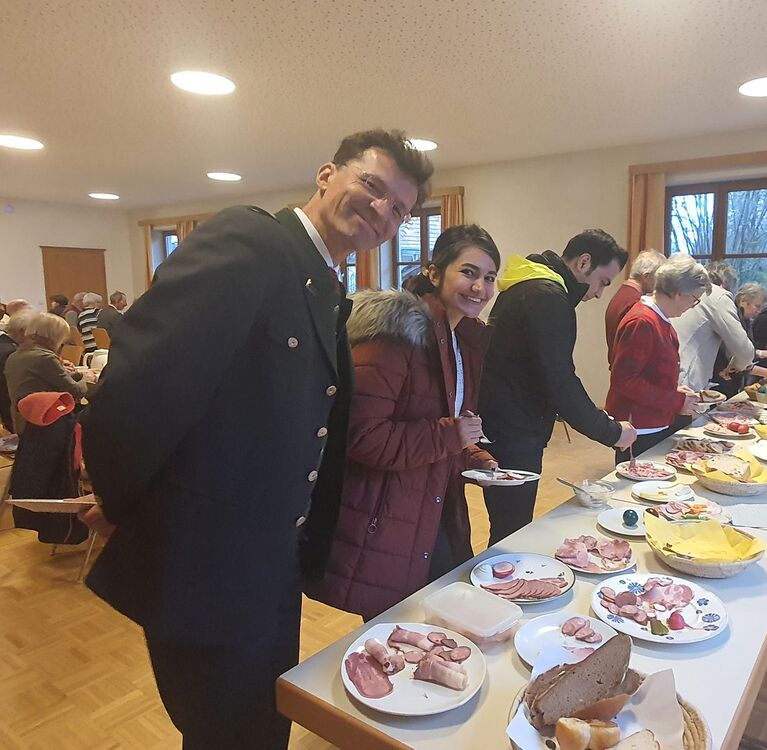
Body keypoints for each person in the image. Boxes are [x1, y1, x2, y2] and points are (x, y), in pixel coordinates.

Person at [78, 128, 433, 749]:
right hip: (206, 566)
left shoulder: (325, 283)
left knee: (261, 726)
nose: (382, 210)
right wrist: (123, 507)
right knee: (225, 731)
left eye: (399, 208)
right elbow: (137, 384)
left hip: (267, 567)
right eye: (372, 186)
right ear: (326, 174)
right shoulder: (252, 241)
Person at [309, 225, 499, 620]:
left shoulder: (461, 340)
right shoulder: (395, 334)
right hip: (385, 516)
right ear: (435, 273)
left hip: (434, 506)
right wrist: (451, 436)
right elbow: (363, 436)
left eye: (489, 277)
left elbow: (439, 423)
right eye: (468, 272)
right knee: (397, 632)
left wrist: (473, 456)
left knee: (443, 621)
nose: (480, 287)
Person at [479, 229, 637, 546]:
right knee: (512, 530)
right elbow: (560, 382)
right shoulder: (549, 298)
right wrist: (612, 432)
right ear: (584, 262)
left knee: (507, 523)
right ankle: (504, 575)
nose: (599, 294)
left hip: (503, 423)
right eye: (603, 282)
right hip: (515, 432)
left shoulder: (530, 285)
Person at [606, 255, 708, 463]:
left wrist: (674, 389)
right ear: (679, 294)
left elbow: (651, 371)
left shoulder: (659, 318)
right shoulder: (642, 321)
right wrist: (676, 400)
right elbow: (624, 380)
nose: (693, 305)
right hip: (639, 427)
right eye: (694, 299)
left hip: (654, 420)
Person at [673, 261, 758, 392]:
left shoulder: (685, 290)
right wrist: (736, 365)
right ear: (725, 284)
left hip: (668, 369)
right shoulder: (717, 295)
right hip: (687, 378)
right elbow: (745, 352)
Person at [4, 313, 87, 435]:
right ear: (55, 337)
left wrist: (76, 374)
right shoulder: (45, 357)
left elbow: (47, 379)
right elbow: (75, 391)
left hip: (22, 421)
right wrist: (86, 378)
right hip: (46, 421)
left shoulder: (14, 356)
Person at [713, 282, 767, 397]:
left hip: (733, 380)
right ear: (743, 301)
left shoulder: (746, 320)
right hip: (722, 377)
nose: (759, 311)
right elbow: (737, 357)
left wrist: (762, 353)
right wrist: (766, 372)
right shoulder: (732, 318)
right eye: (757, 306)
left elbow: (745, 349)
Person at [604, 249, 666, 363]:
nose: (660, 284)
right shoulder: (634, 303)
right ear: (646, 276)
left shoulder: (621, 295)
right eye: (659, 278)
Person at [1, 310, 36, 432]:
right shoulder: (12, 353)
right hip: (12, 411)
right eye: (34, 333)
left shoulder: (4, 343)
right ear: (23, 331)